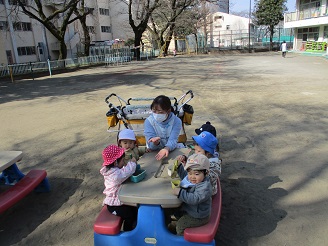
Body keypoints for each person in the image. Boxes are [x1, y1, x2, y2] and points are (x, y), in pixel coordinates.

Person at [171, 153, 212, 235]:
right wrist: (179, 165)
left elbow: (194, 199)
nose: (192, 177)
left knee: (180, 225)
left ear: (206, 173)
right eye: (190, 173)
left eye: (196, 174)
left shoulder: (205, 186)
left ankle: (182, 240)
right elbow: (185, 175)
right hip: (190, 209)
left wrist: (180, 192)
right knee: (174, 212)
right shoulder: (193, 178)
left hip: (199, 216)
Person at [100, 145, 137, 231]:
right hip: (114, 205)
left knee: (135, 208)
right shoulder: (115, 175)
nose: (124, 162)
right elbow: (127, 171)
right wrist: (133, 163)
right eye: (123, 160)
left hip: (119, 200)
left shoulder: (112, 170)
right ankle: (129, 232)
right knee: (129, 215)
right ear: (115, 162)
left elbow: (123, 171)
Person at [177, 131, 221, 196]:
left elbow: (209, 178)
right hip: (196, 183)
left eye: (199, 151)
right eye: (195, 150)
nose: (196, 153)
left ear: (208, 153)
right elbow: (191, 160)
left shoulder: (214, 164)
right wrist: (185, 160)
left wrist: (199, 171)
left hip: (205, 192)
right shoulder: (199, 156)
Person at [144, 95, 182, 160]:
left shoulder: (176, 121)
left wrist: (166, 148)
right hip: (154, 151)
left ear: (168, 111)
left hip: (171, 149)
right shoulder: (148, 121)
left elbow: (173, 139)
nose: (157, 114)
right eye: (154, 111)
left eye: (160, 112)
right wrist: (155, 143)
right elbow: (151, 145)